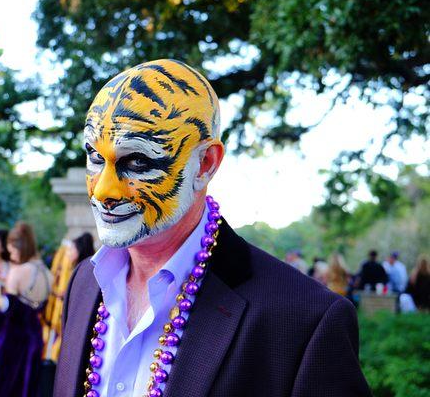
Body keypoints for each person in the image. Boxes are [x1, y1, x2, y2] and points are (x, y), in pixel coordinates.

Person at [54, 59, 371, 397]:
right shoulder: (84, 284)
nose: (103, 191)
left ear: (205, 164)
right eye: (95, 156)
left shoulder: (303, 320)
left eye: (138, 162)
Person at [0, 221, 53, 397]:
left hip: (12, 338)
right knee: (27, 386)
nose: (11, 253)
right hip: (35, 336)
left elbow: (7, 308)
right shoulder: (48, 274)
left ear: (20, 247)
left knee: (1, 385)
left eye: (13, 249)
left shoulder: (18, 272)